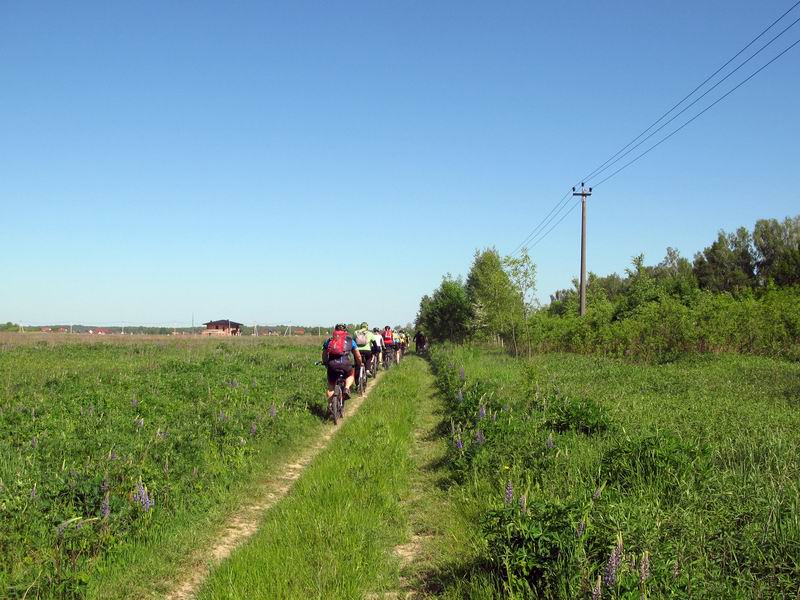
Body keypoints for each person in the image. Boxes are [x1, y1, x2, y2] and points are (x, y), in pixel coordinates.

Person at [322, 324, 362, 409]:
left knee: (331, 387)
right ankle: (346, 388)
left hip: (332, 365)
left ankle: (329, 407)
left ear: (335, 330)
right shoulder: (350, 340)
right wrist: (359, 363)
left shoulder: (329, 340)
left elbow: (324, 354)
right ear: (345, 331)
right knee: (351, 375)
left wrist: (325, 363)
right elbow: (358, 356)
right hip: (345, 364)